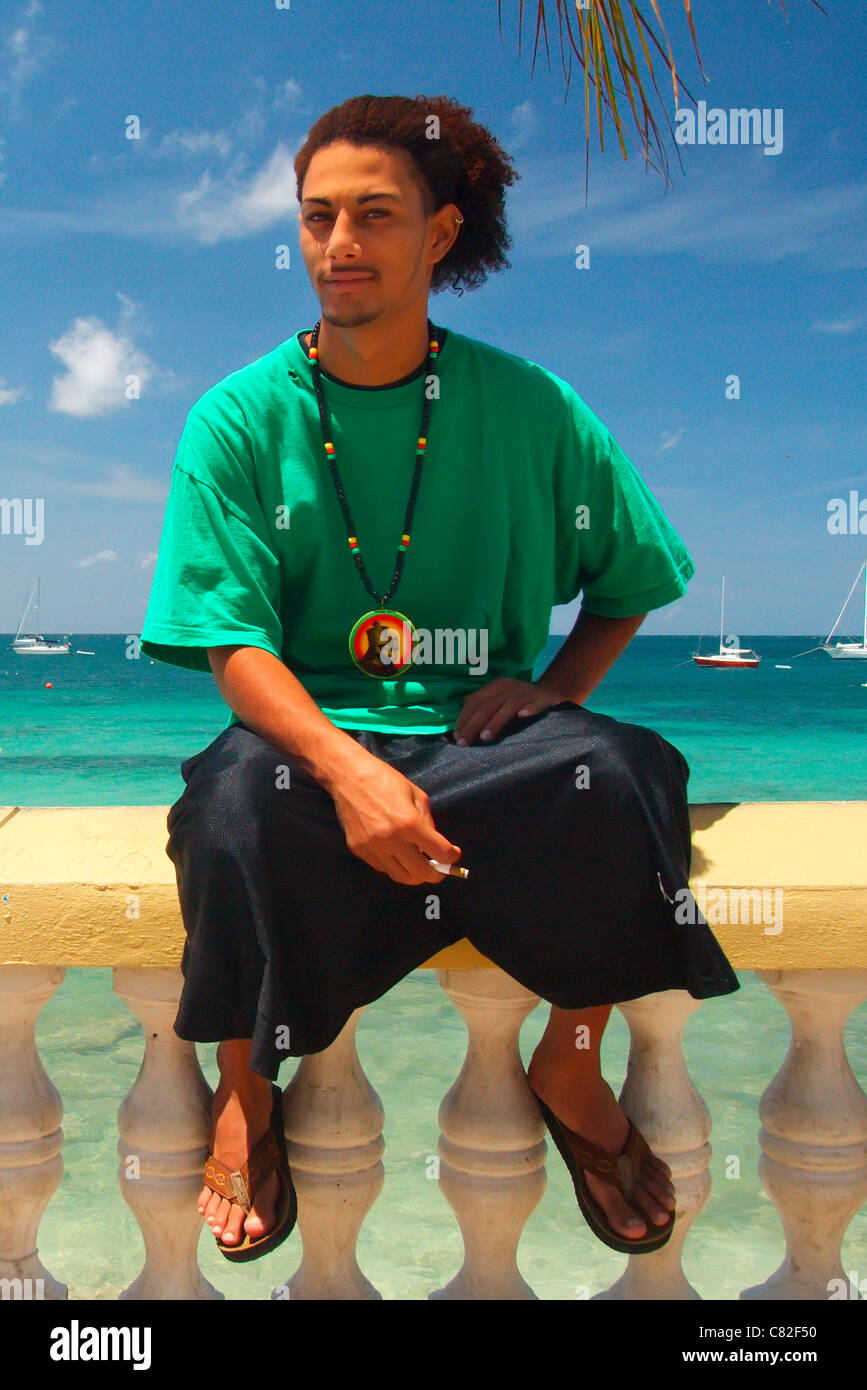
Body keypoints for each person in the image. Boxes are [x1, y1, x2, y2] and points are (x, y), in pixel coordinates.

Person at [140, 93, 739, 1266]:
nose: (340, 245)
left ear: (442, 234)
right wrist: (347, 766)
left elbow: (632, 578)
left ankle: (569, 1065)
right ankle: (248, 1085)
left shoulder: (533, 407)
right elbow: (234, 646)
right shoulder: (237, 419)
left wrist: (556, 684)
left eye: (375, 215)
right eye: (317, 218)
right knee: (226, 810)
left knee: (625, 772)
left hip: (480, 746)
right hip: (304, 743)